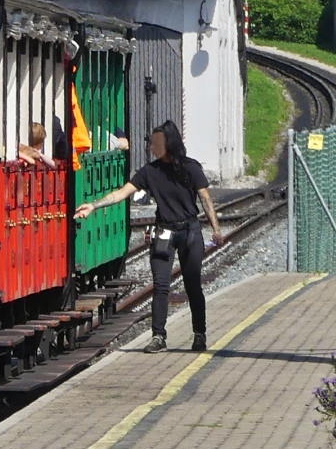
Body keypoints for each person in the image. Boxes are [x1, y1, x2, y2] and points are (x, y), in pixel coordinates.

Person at [73, 120, 223, 353]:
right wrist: (93, 205)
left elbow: (205, 199)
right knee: (161, 285)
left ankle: (199, 334)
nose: (152, 148)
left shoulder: (191, 168)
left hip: (190, 232)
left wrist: (216, 230)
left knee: (192, 284)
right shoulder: (150, 172)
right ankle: (158, 337)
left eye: (156, 143)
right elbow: (121, 193)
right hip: (164, 232)